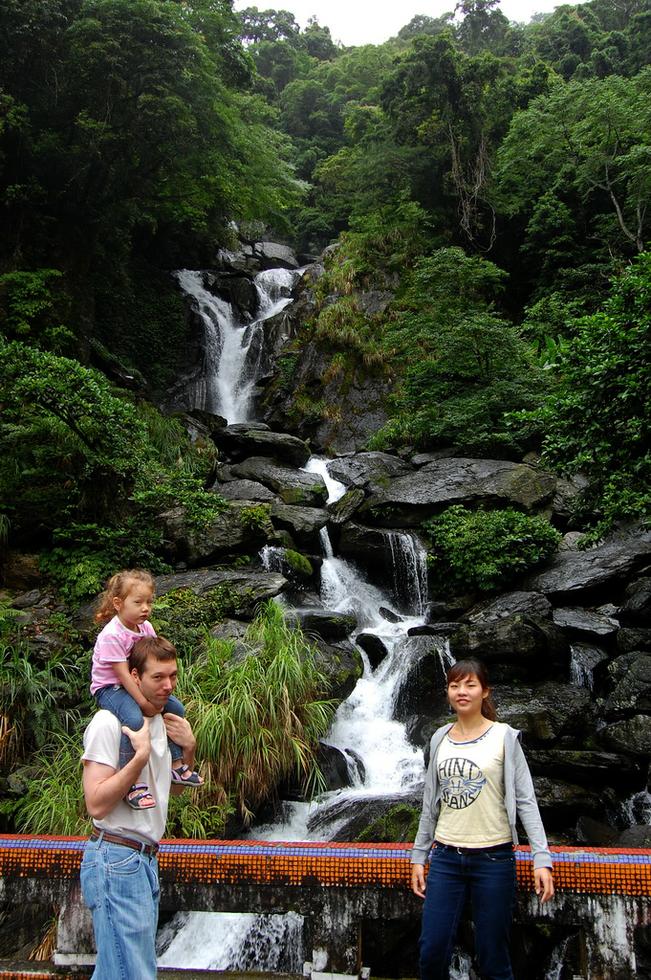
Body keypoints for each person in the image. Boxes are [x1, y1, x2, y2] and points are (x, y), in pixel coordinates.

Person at [411, 658, 554, 980]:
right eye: (454, 685)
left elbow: (526, 800)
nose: (462, 691)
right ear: (447, 691)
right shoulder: (438, 739)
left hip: (493, 859)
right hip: (446, 858)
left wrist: (540, 858)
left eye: (470, 684)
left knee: (493, 959)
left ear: (485, 691)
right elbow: (430, 804)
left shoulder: (505, 737)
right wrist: (419, 856)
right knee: (431, 953)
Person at [81, 634, 198, 979]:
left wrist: (188, 750)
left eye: (173, 676)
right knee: (134, 972)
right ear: (134, 677)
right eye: (157, 678)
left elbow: (172, 792)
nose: (168, 686)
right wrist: (138, 759)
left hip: (144, 858)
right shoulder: (109, 724)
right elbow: (97, 804)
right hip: (116, 857)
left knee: (117, 970)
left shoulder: (163, 722)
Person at [91, 569, 202, 809]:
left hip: (132, 684)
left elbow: (149, 661)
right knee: (133, 718)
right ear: (118, 603)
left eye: (149, 602)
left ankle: (176, 765)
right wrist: (145, 704)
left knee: (175, 707)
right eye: (138, 602)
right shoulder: (112, 635)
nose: (145, 608)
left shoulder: (146, 628)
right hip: (110, 687)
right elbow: (124, 674)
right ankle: (132, 783)